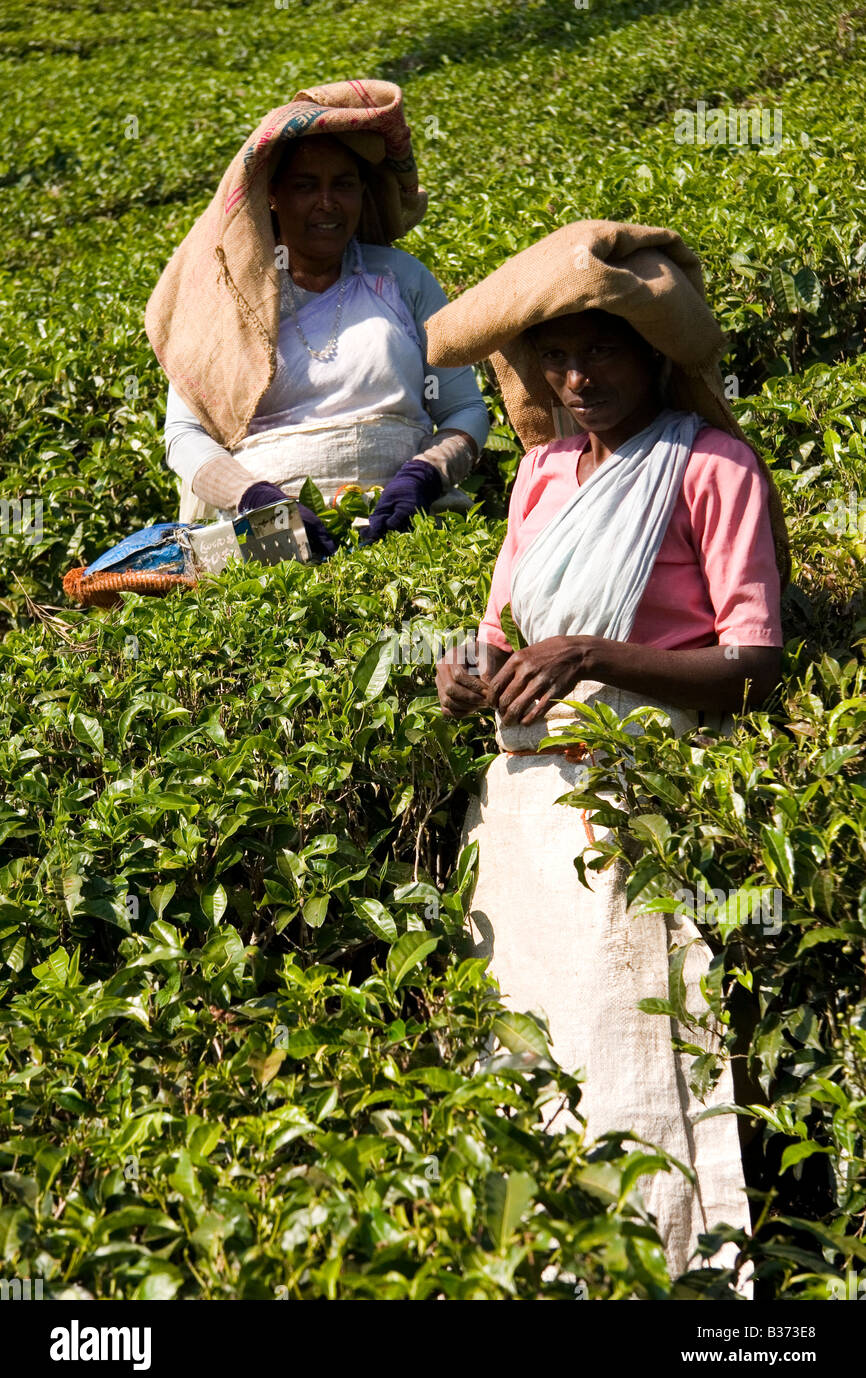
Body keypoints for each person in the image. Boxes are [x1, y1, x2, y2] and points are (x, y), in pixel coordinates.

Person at [427, 219, 791, 1285]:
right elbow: (498, 636)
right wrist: (460, 675)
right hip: (524, 802)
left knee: (621, 1026)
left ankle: (670, 1263)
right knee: (523, 1024)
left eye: (602, 351)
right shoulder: (539, 476)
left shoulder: (713, 467)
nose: (576, 376)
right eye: (556, 355)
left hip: (632, 791)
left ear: (652, 353)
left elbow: (752, 666)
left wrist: (596, 655)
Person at [145, 80, 488, 557]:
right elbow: (184, 436)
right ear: (272, 196)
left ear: (362, 193)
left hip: (407, 526)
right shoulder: (228, 298)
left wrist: (423, 476)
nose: (327, 203)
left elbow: (464, 409)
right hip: (270, 540)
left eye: (343, 185)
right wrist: (256, 499)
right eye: (306, 186)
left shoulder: (401, 277)